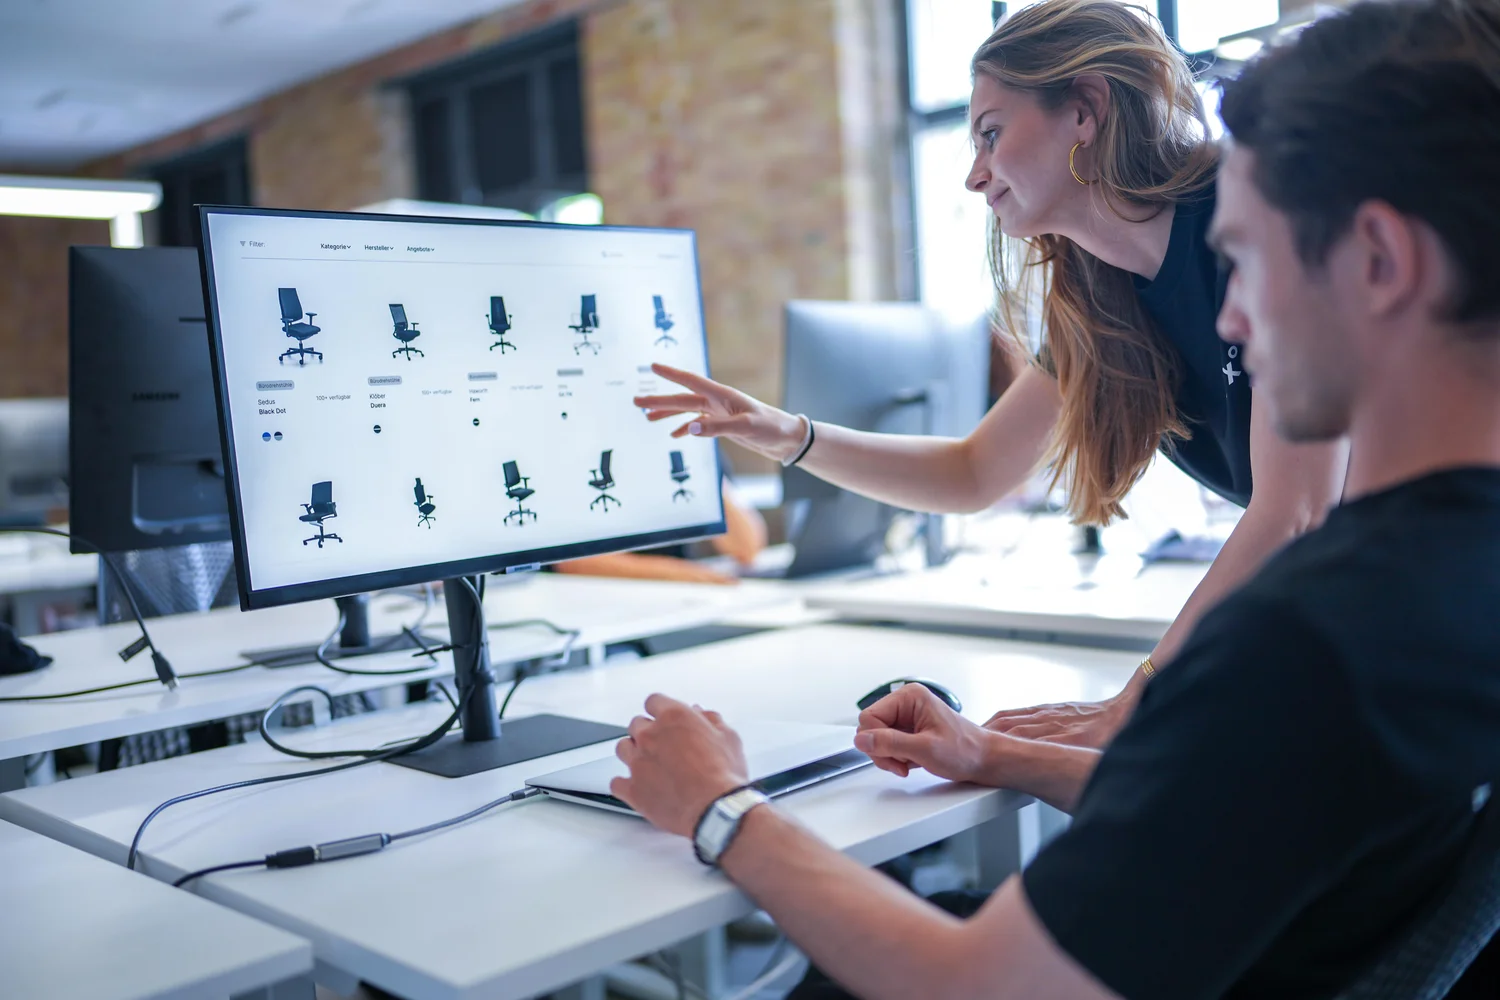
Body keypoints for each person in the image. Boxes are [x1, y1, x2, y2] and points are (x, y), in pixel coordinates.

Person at [609, 1, 1500, 996]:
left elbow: (979, 983)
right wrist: (998, 753)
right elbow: (1257, 788)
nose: (1231, 317)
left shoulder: (1306, 640)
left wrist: (720, 806)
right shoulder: (1435, 595)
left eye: (1245, 263)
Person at [635, 0, 1347, 750]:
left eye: (992, 134)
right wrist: (789, 435)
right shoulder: (1104, 299)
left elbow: (1295, 508)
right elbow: (972, 472)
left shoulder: (1254, 217)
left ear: (1085, 109)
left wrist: (1137, 696)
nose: (977, 176)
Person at [553, 477, 767, 585]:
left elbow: (746, 548)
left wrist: (706, 465)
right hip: (607, 595)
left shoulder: (685, 437)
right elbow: (573, 561)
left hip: (676, 594)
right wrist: (680, 573)